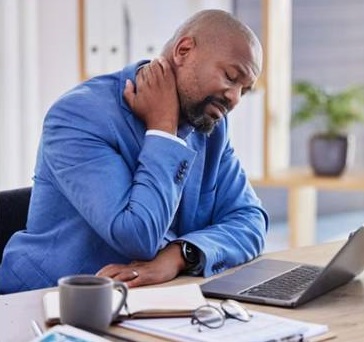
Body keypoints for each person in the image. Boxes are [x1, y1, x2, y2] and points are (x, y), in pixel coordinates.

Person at [0, 9, 268, 294]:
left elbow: (250, 220)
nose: (235, 99)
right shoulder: (79, 116)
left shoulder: (210, 125)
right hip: (46, 300)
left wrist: (179, 255)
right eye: (230, 77)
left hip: (147, 299)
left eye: (245, 89)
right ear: (184, 50)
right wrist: (163, 129)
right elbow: (138, 235)